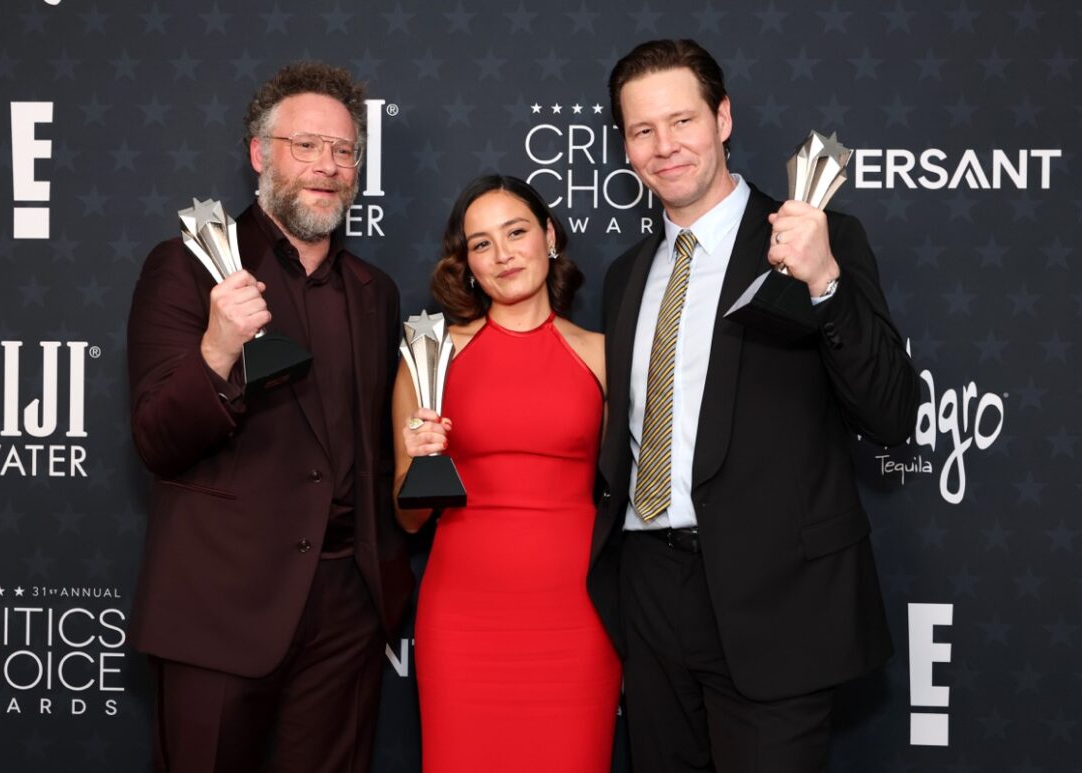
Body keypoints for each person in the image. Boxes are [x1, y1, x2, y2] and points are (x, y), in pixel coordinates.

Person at [588, 39, 922, 772]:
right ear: (624, 145)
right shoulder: (625, 275)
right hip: (648, 590)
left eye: (683, 121)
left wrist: (826, 282)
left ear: (724, 118)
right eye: (642, 130)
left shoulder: (815, 238)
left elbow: (894, 412)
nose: (665, 146)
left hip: (776, 598)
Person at [126, 61, 412, 772]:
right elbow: (157, 439)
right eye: (306, 145)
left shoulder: (376, 292)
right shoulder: (189, 267)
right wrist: (217, 349)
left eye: (344, 151)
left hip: (348, 617)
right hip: (221, 608)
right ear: (259, 153)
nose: (328, 166)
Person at [393, 175, 621, 772]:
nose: (503, 255)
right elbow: (408, 517)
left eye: (516, 232)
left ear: (548, 236)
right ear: (466, 264)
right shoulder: (431, 356)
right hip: (463, 621)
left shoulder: (603, 353)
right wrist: (422, 462)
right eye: (481, 244)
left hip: (577, 620)